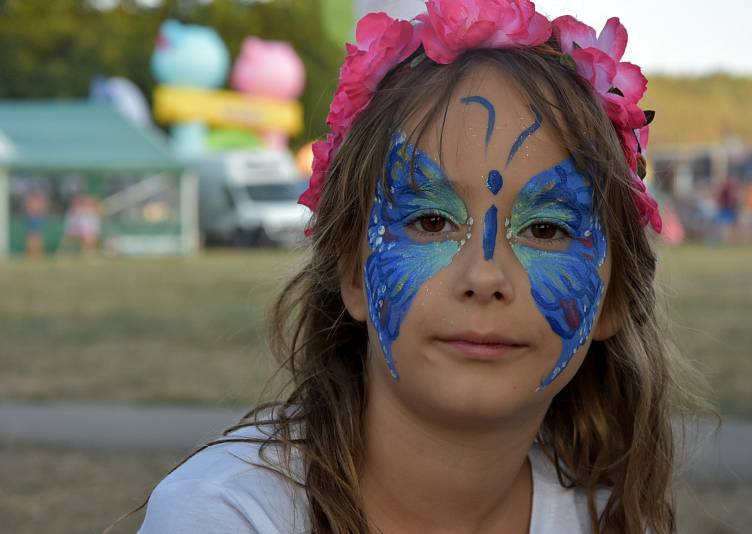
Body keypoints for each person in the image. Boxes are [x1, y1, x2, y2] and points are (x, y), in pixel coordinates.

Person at [129, 2, 703, 533]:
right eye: (431, 222)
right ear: (352, 273)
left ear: (615, 298)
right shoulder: (227, 515)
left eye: (547, 229)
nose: (484, 277)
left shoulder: (610, 522)